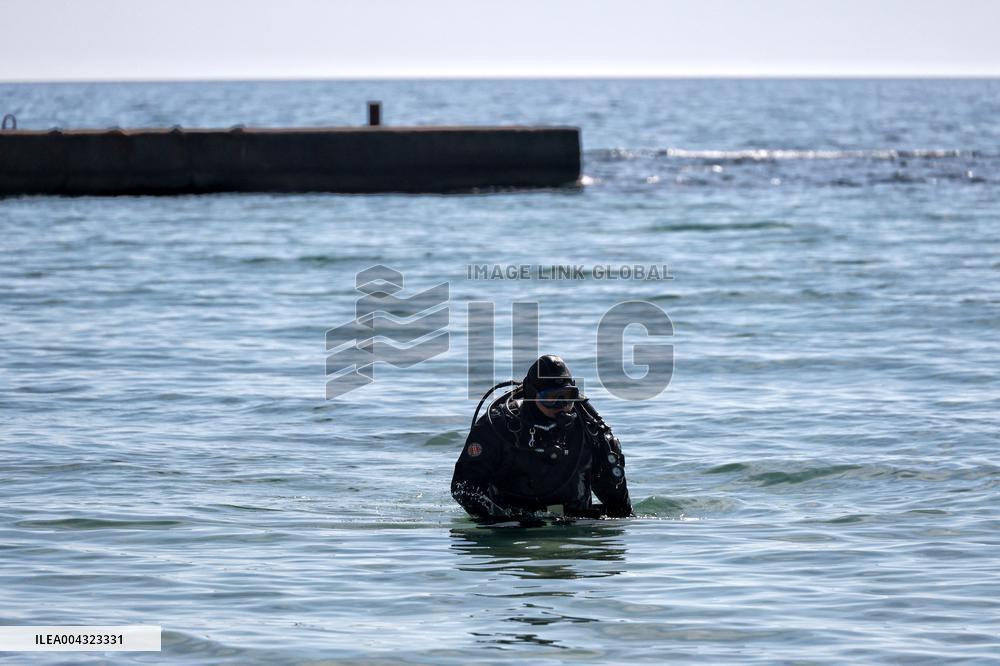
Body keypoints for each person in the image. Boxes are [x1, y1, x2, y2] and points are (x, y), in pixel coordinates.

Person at [451, 355, 633, 521]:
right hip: (511, 530)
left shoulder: (589, 430)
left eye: (568, 397)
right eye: (552, 398)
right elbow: (463, 487)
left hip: (575, 528)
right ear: (531, 395)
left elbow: (620, 508)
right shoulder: (499, 427)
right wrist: (501, 521)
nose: (561, 405)